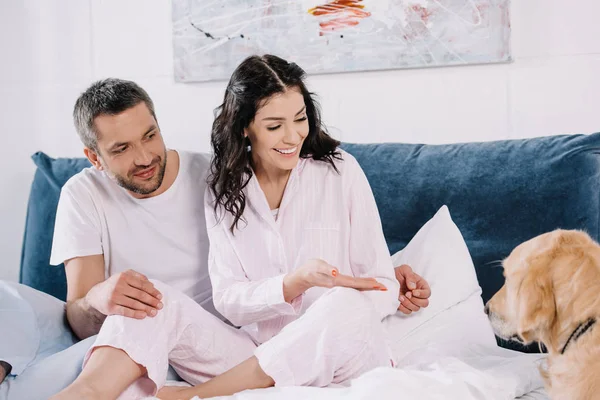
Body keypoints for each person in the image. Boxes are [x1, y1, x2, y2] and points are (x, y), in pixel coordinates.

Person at [50, 55, 432, 400]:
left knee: (345, 303)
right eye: (274, 125)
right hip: (248, 356)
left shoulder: (340, 170)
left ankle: (193, 396)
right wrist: (292, 283)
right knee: (155, 299)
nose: (293, 136)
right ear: (246, 127)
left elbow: (378, 287)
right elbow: (228, 300)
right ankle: (85, 394)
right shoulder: (223, 184)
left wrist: (380, 280)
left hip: (340, 354)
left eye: (300, 119)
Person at [0, 78, 220, 399]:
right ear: (94, 157)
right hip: (113, 332)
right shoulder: (81, 192)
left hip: (180, 339)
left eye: (150, 136)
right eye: (122, 148)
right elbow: (76, 318)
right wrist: (97, 299)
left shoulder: (214, 175)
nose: (145, 157)